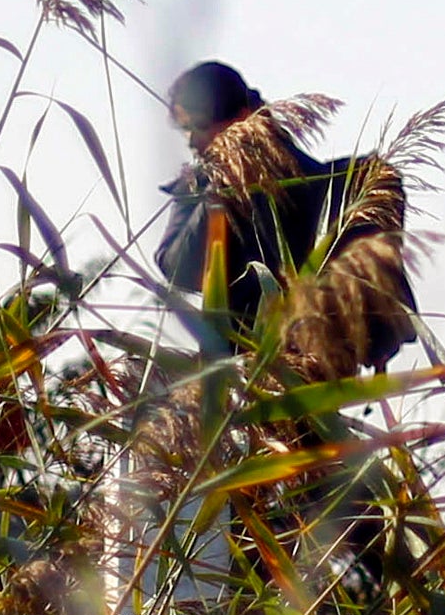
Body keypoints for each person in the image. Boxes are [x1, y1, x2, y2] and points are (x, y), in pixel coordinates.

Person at [150, 61, 415, 380]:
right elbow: (178, 268)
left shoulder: (341, 186)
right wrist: (219, 192)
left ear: (241, 117)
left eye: (200, 128)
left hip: (309, 364)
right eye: (188, 131)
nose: (193, 142)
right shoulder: (205, 186)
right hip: (242, 378)